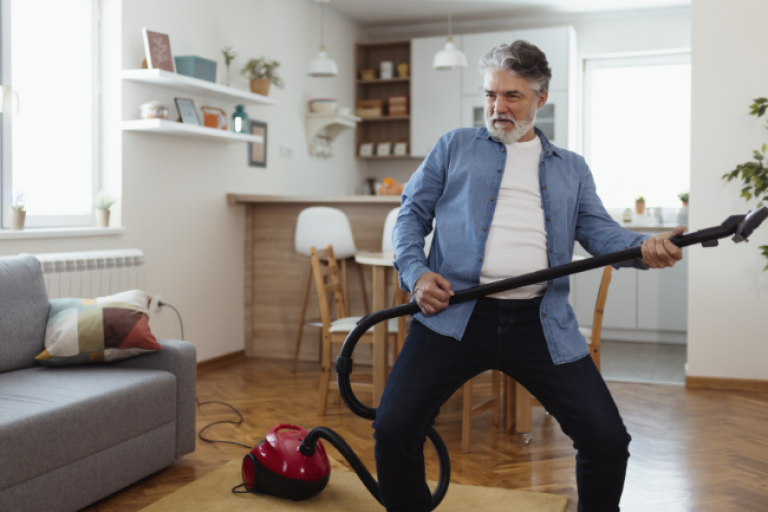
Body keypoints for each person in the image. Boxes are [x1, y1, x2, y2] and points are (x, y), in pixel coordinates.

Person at [374, 40, 684, 512]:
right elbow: (411, 214)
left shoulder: (571, 168)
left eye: (512, 96)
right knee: (394, 428)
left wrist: (645, 250)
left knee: (606, 441)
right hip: (455, 317)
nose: (498, 107)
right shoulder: (453, 146)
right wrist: (416, 274)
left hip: (542, 324)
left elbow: (600, 232)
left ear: (541, 98)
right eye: (490, 95)